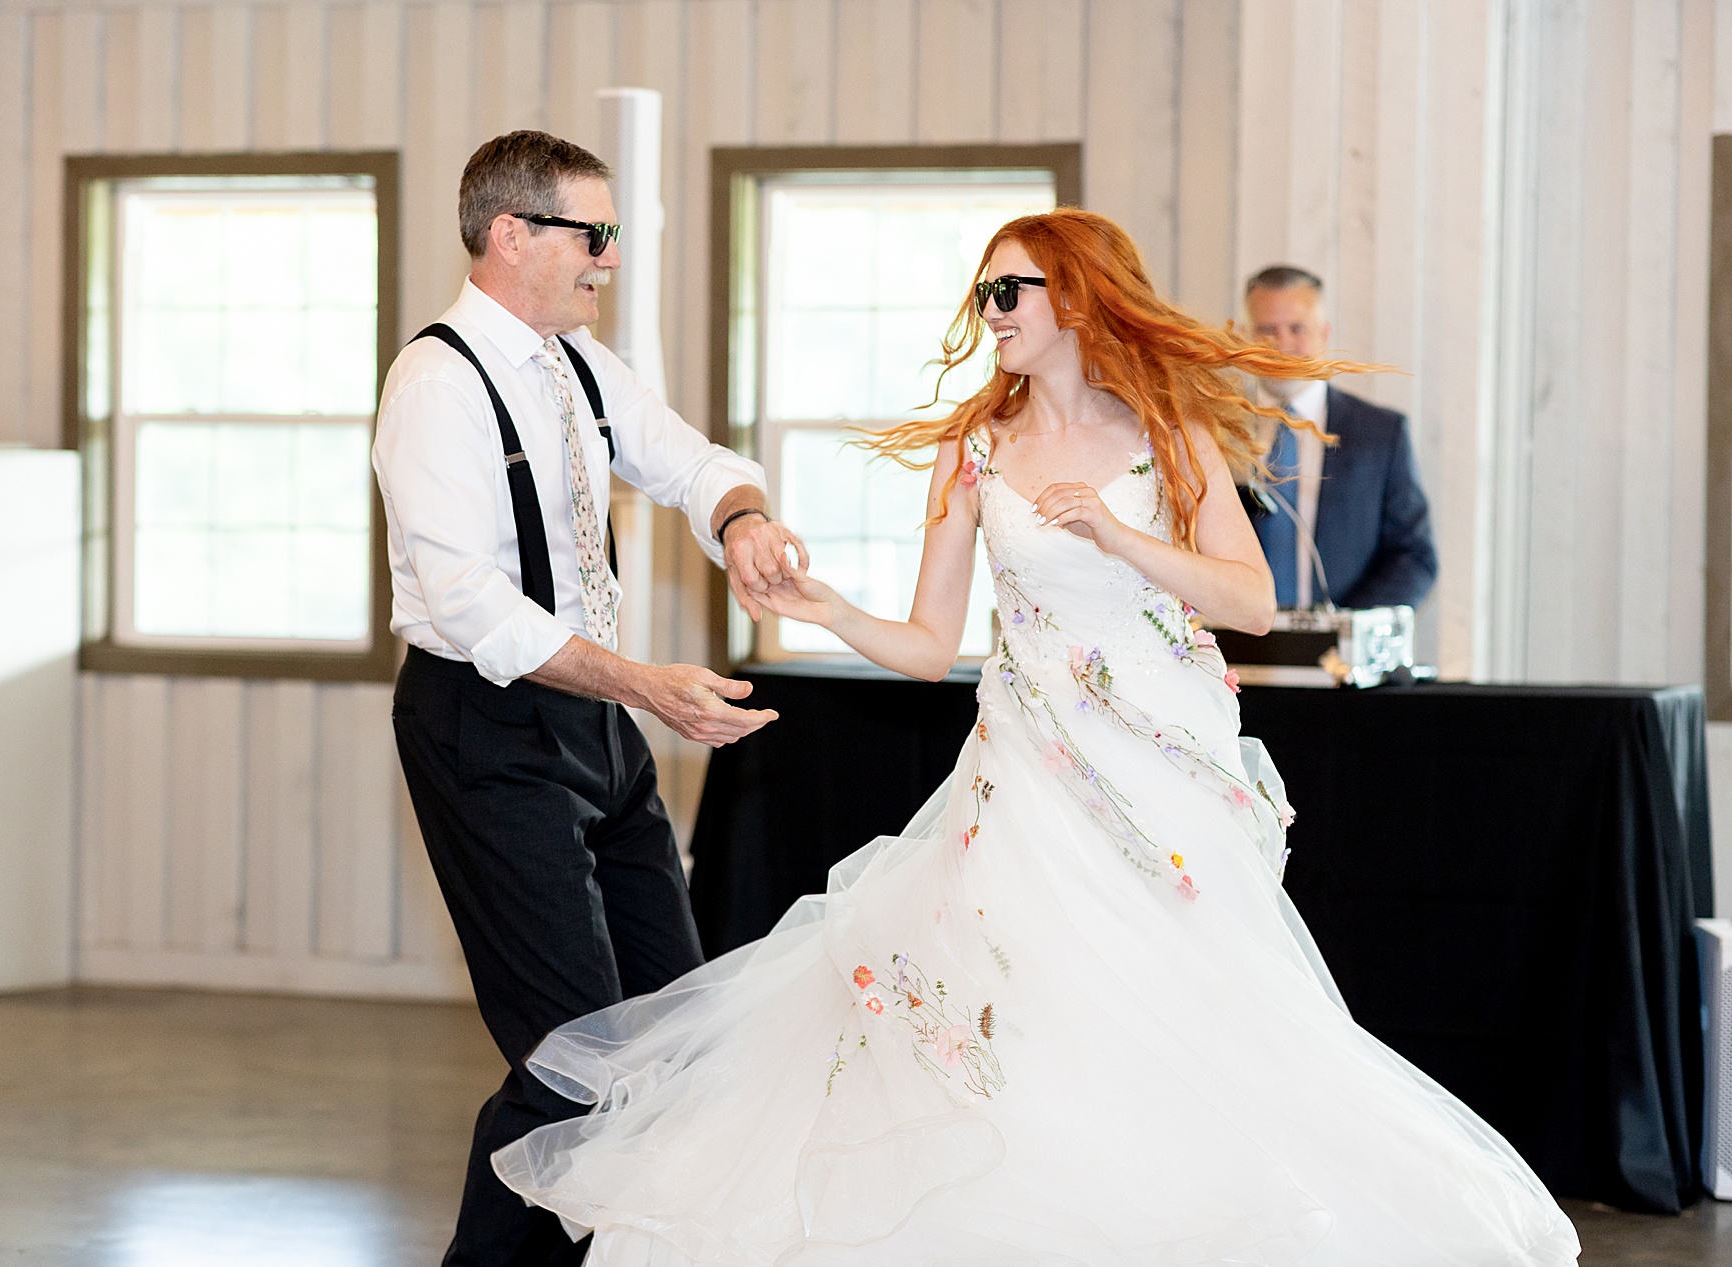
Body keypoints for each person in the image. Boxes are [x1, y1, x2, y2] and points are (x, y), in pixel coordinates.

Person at [491, 210, 1580, 1264]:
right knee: (1020, 998)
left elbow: (1249, 600)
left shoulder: (1166, 431)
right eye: (983, 291)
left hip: (1160, 767)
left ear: (1076, 297)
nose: (991, 310)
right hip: (1024, 771)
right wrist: (826, 609)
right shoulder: (974, 447)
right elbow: (928, 643)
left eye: (1009, 290)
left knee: (1179, 1006)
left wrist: (1115, 533)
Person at [372, 130, 804, 1267]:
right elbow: (471, 605)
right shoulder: (435, 384)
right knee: (576, 1055)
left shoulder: (576, 363)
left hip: (598, 724)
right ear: (511, 234)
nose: (607, 260)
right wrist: (643, 686)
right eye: (593, 235)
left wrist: (743, 520)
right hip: (486, 728)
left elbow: (687, 460)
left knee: (666, 1031)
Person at [1241, 264, 1438, 609]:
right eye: (1265, 330)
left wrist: (1348, 631)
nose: (1281, 344)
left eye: (1297, 328)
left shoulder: (1381, 434)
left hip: (1339, 654)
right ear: (1243, 338)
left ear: (1324, 334)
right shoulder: (1212, 429)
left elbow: (1414, 557)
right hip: (1229, 651)